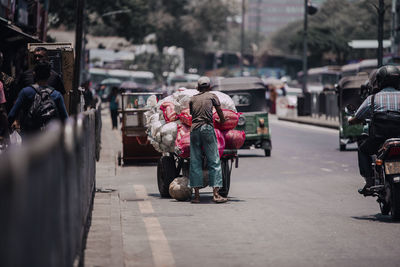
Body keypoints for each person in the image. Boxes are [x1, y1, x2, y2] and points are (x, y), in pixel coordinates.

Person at [348, 65, 400, 195]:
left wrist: (351, 121)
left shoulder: (372, 99)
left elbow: (357, 117)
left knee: (362, 149)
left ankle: (370, 181)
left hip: (379, 139)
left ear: (380, 81)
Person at [189, 76, 227, 203]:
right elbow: (220, 112)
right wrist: (221, 121)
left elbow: (192, 114)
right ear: (209, 87)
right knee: (214, 160)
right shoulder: (212, 96)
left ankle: (196, 196)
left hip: (194, 130)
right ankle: (216, 195)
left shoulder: (192, 99)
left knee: (195, 161)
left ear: (198, 88)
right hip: (207, 128)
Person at [8, 61, 68, 135]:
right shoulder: (57, 95)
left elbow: (12, 114)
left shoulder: (25, 92)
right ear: (50, 74)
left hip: (29, 137)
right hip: (50, 138)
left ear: (34, 74)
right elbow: (65, 119)